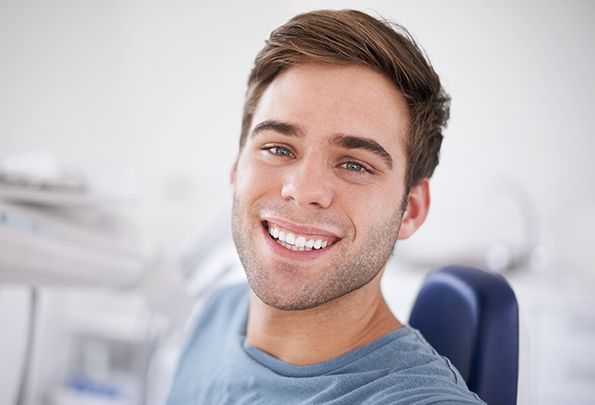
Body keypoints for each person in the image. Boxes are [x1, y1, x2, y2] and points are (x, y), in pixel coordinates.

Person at [166, 9, 484, 404]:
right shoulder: (218, 312)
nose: (302, 190)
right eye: (278, 149)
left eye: (354, 164)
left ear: (411, 209)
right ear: (236, 168)